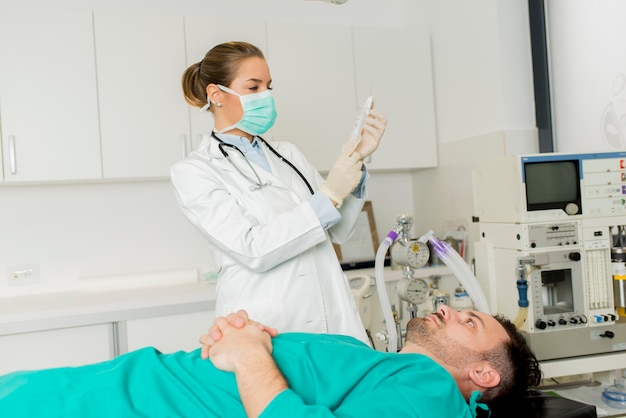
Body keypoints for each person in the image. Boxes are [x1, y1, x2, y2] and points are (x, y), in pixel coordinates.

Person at [171, 41, 387, 345]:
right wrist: (329, 194)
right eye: (253, 87)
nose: (266, 96)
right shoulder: (195, 170)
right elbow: (253, 249)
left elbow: (337, 231)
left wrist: (356, 163)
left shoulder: (288, 154)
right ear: (216, 95)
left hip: (332, 319)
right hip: (266, 325)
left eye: (269, 87)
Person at [0, 305, 541, 418]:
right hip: (126, 384)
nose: (446, 308)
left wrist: (249, 352)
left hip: (125, 401)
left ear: (484, 374)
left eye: (469, 323)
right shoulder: (379, 364)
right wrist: (240, 338)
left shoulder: (431, 388)